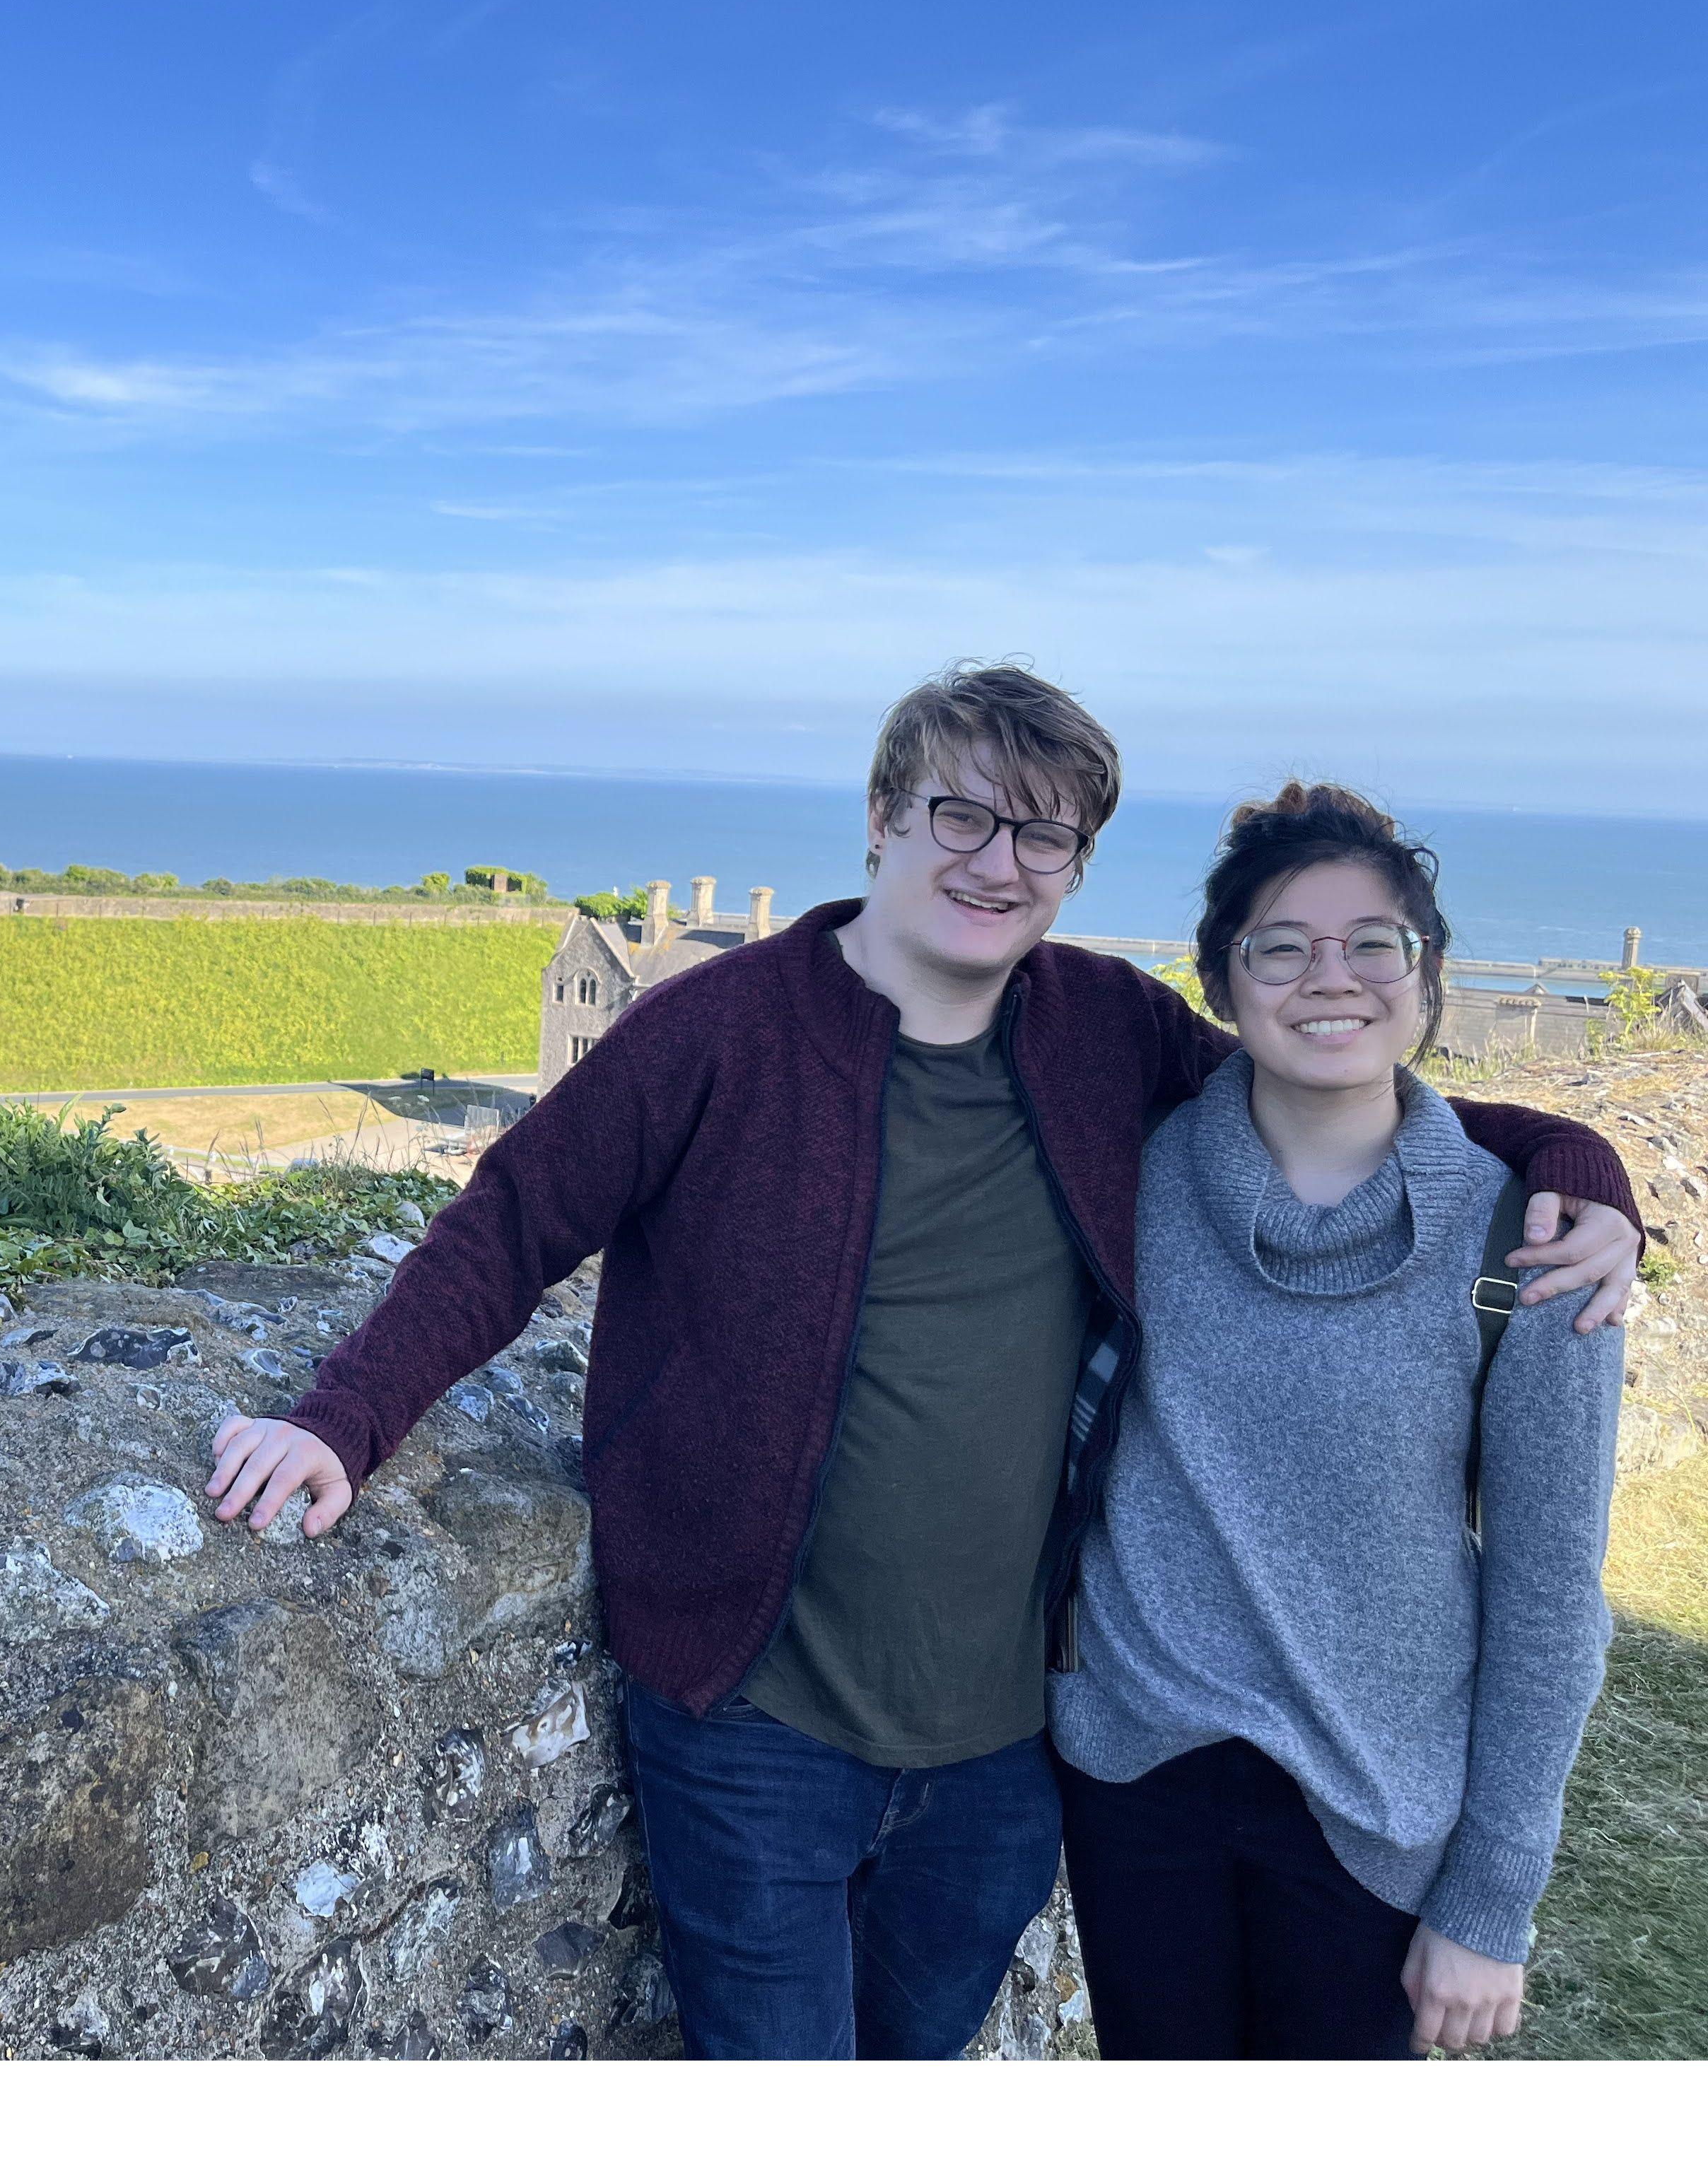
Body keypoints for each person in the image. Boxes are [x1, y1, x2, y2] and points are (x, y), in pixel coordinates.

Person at [206, 663, 1644, 2060]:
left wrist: (1577, 1159)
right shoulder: (713, 1033)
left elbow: (1333, 1072)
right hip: (752, 1711)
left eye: (1045, 832)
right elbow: (510, 1223)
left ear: (1075, 865)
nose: (998, 861)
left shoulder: (1103, 1030)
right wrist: (343, 1418)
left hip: (1004, 1749)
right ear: (885, 813)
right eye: (964, 814)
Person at [1048, 787, 1622, 2059]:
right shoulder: (1124, 1184)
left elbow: (1547, 1597)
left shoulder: (1528, 1245)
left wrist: (1492, 1901)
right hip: (1136, 1779)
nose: (1334, 976)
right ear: (1221, 983)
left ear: (1425, 975)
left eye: (1376, 942)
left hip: (1378, 1806)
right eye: (1282, 945)